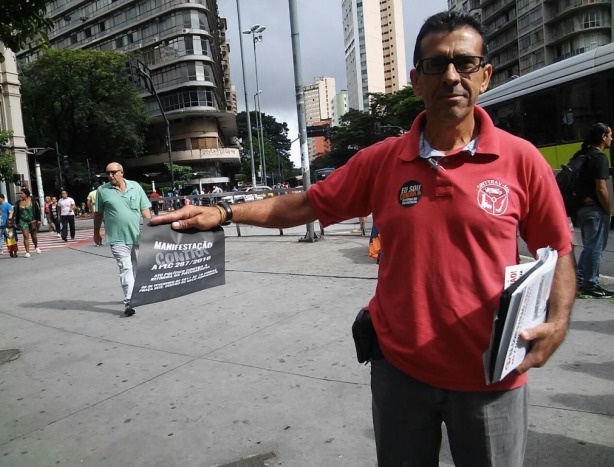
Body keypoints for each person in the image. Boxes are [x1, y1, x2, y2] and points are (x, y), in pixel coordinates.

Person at [153, 11, 576, 466]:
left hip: (491, 376)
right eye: (436, 64)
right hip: (400, 373)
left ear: (485, 75)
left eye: (465, 63)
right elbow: (304, 205)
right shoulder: (381, 161)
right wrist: (222, 211)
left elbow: (558, 250)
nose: (452, 76)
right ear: (417, 80)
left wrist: (557, 323)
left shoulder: (522, 160)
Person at [93, 162, 152, 316]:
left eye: (113, 172)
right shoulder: (102, 191)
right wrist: (96, 232)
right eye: (108, 173)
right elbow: (98, 213)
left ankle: (135, 293)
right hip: (117, 238)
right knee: (125, 268)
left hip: (136, 236)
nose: (110, 175)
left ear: (121, 172)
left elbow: (145, 209)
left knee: (138, 268)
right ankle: (129, 302)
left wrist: (150, 228)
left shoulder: (135, 187)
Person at [574, 123, 613, 298]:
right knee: (595, 247)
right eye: (610, 135)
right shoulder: (600, 157)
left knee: (589, 246)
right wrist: (608, 209)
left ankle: (581, 281)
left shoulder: (582, 155)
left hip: (581, 208)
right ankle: (591, 284)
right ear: (603, 137)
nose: (611, 138)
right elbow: (601, 187)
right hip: (595, 209)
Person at [14, 187, 41, 258]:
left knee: (34, 236)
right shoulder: (18, 203)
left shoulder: (33, 201)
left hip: (32, 221)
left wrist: (38, 220)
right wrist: (17, 222)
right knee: (25, 236)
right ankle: (27, 252)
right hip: (23, 221)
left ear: (26, 194)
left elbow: (37, 211)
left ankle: (36, 246)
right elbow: (17, 213)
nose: (20, 195)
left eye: (22, 193)